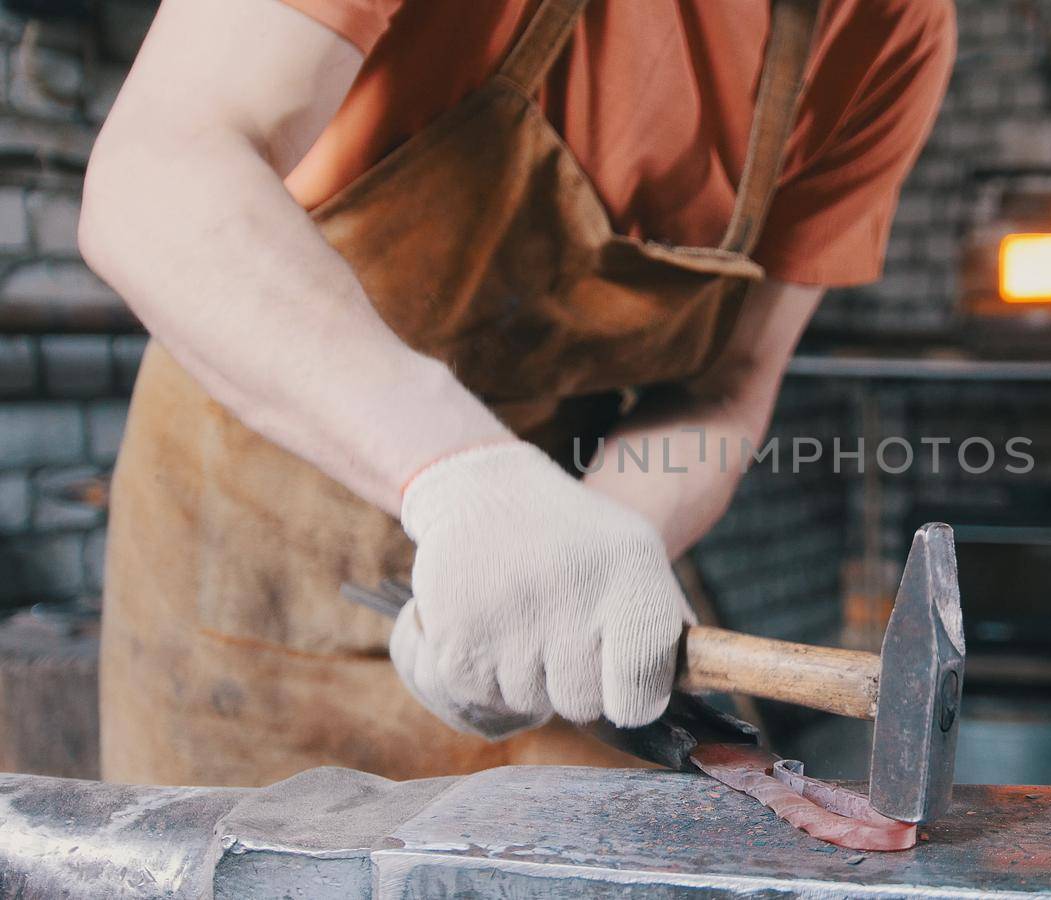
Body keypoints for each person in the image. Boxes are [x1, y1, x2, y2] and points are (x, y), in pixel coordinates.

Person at [80, 0, 954, 786]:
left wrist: (580, 572)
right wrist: (464, 476)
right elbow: (158, 165)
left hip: (555, 541)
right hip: (253, 570)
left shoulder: (890, 28)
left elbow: (726, 391)